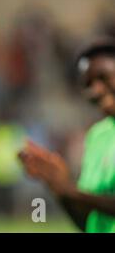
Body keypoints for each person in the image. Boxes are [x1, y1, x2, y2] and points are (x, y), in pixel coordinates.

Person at [18, 41, 115, 233]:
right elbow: (90, 223)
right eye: (88, 84)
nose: (95, 90)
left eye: (103, 77)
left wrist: (70, 191)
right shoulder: (97, 135)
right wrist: (58, 189)